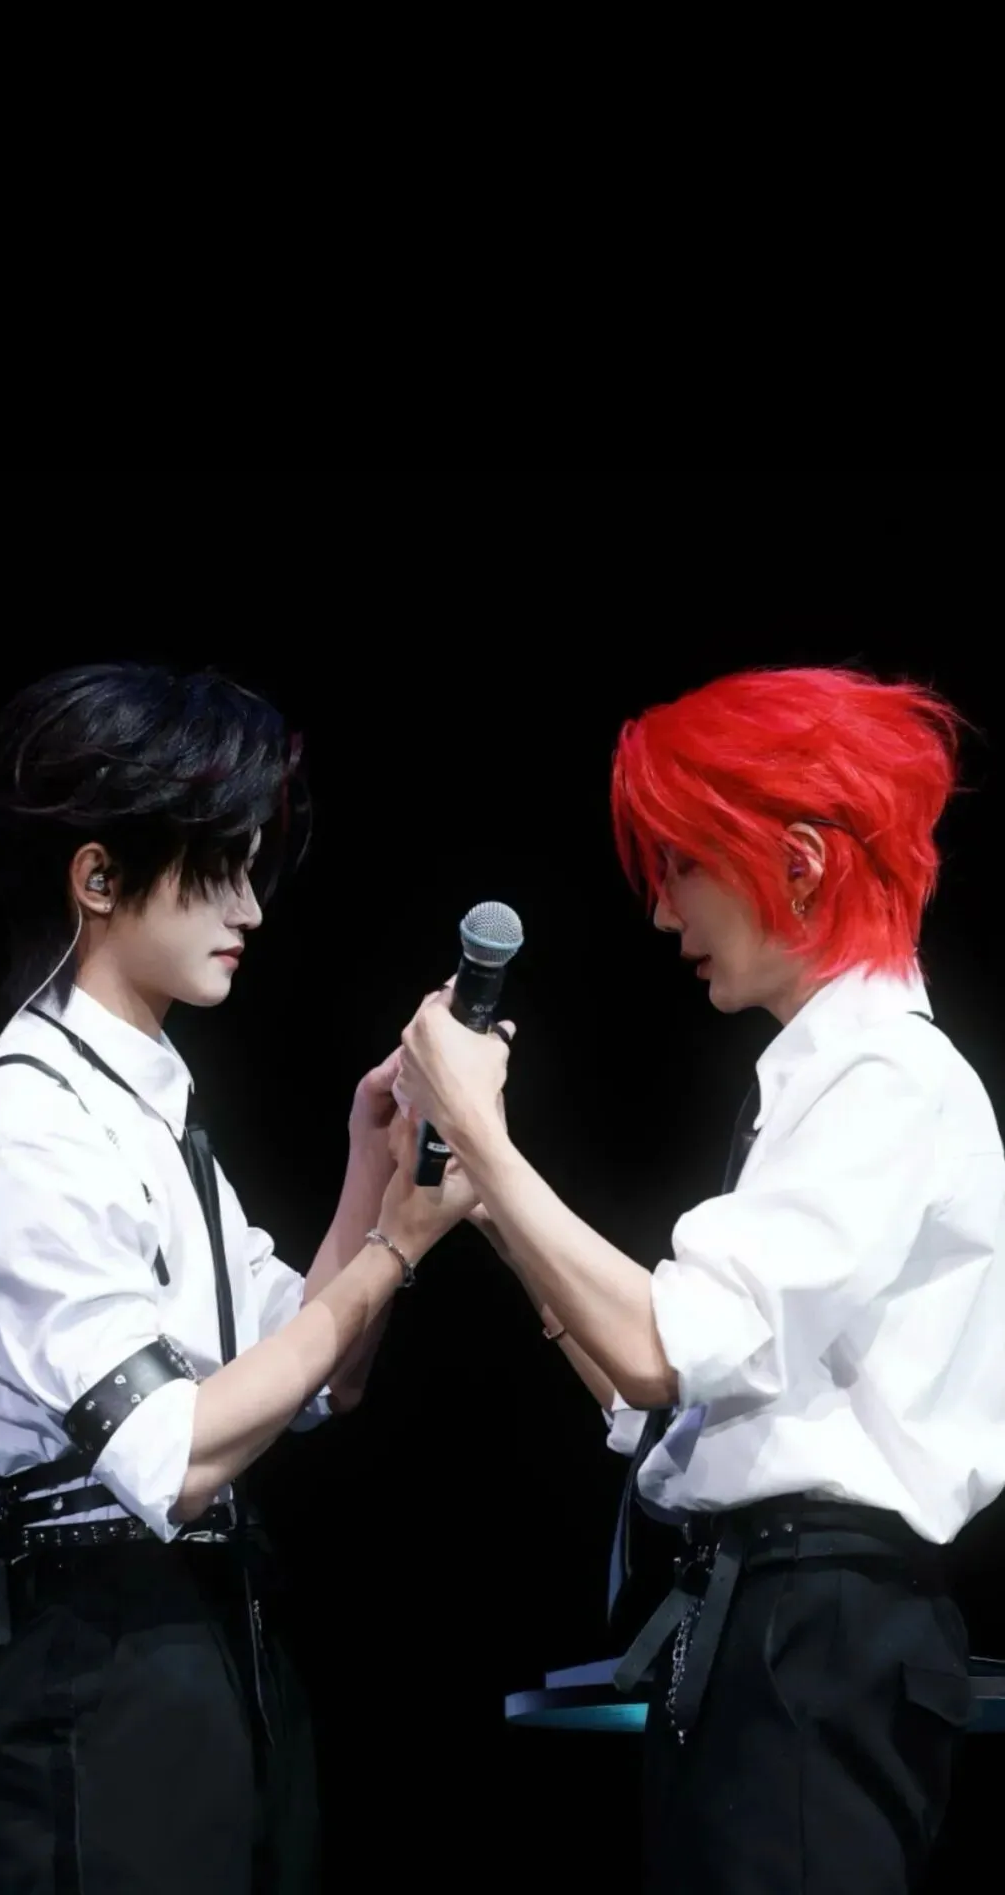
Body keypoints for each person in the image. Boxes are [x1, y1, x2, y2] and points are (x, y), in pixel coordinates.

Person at [394, 665, 1005, 1894]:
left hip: (813, 1632)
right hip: (764, 1625)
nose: (664, 910)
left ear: (801, 863)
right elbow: (676, 1395)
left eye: (682, 865)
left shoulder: (885, 1079)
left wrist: (489, 1142)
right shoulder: (829, 1081)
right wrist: (492, 1209)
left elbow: (661, 1349)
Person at [0, 663, 473, 1895]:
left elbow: (317, 1374)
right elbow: (169, 1454)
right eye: (218, 868)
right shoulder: (25, 1122)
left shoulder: (146, 1102)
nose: (252, 909)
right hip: (103, 1647)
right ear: (98, 878)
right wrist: (395, 1246)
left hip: (226, 1631)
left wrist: (372, 1172)